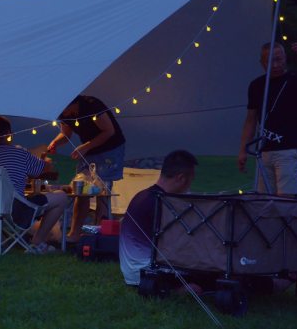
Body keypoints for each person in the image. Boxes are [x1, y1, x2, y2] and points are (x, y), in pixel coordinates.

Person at [238, 37, 297, 196]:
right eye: (269, 61)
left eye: (279, 60)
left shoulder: (296, 78)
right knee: (264, 200)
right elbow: (251, 119)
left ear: (285, 58)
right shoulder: (257, 85)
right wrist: (243, 149)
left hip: (289, 148)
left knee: (286, 199)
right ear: (262, 63)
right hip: (264, 150)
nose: (275, 65)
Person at [0, 115, 68, 254]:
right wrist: (46, 161)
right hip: (16, 209)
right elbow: (42, 170)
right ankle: (37, 243)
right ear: (8, 134)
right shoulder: (19, 152)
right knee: (61, 197)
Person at [47, 95, 126, 241]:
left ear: (73, 103)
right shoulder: (64, 113)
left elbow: (109, 131)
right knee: (81, 190)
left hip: (109, 149)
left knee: (103, 190)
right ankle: (75, 233)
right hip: (88, 151)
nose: (64, 116)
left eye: (66, 112)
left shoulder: (92, 106)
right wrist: (55, 142)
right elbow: (66, 134)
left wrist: (86, 146)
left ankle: (100, 235)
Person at [119, 150, 197, 286]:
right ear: (181, 178)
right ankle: (177, 290)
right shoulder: (162, 203)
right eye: (191, 180)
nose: (190, 186)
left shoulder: (141, 195)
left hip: (131, 273)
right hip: (148, 275)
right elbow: (179, 245)